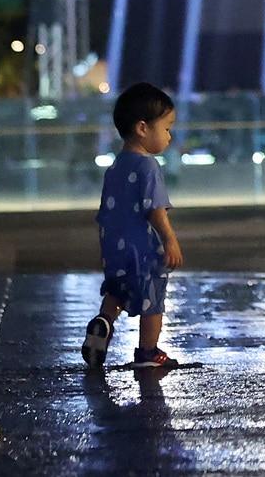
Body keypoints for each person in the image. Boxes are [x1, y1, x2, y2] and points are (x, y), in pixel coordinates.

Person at [81, 83, 185, 370]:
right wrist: (170, 240)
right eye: (166, 128)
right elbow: (155, 209)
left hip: (113, 247)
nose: (169, 135)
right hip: (142, 249)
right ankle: (148, 353)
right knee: (153, 298)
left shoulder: (116, 166)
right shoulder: (148, 166)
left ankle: (104, 322)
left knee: (117, 290)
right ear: (142, 128)